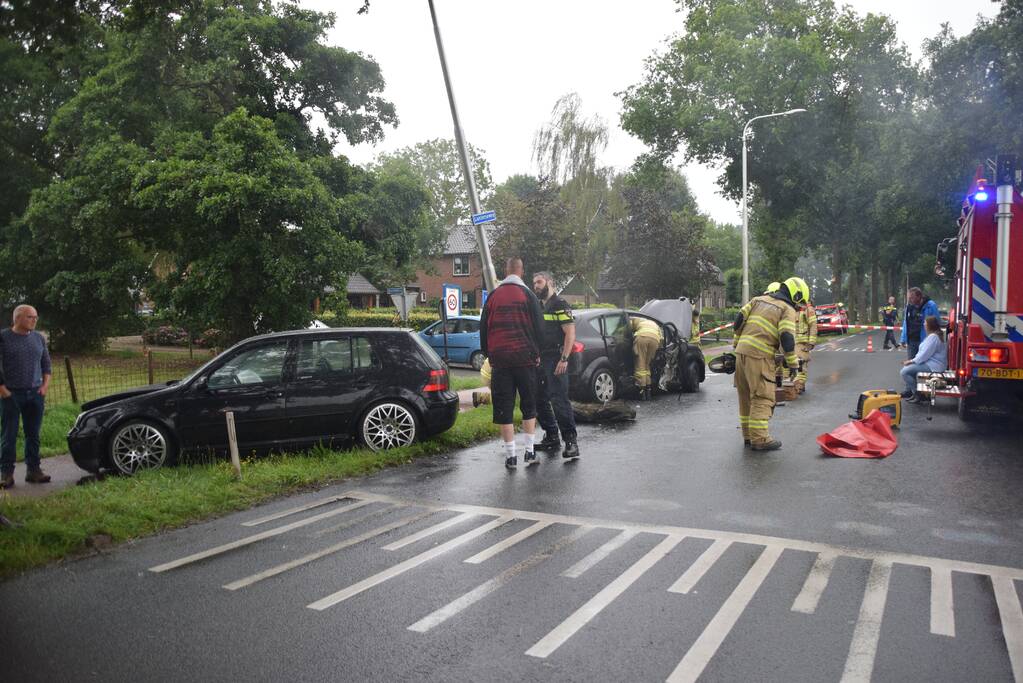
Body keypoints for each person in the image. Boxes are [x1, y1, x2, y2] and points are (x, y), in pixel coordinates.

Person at [479, 258, 545, 469]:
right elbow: (540, 329)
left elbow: (483, 330)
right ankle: (529, 452)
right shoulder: (529, 296)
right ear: (522, 271)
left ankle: (510, 457)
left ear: (505, 272)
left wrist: (490, 355)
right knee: (529, 405)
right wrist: (538, 353)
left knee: (504, 408)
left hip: (500, 362)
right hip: (525, 360)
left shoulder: (493, 297)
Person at [733, 276, 805, 451]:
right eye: (800, 302)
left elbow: (738, 321)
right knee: (762, 396)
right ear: (796, 296)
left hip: (741, 354)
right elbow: (787, 337)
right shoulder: (786, 308)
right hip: (760, 356)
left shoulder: (757, 300)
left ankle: (748, 436)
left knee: (745, 396)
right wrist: (793, 364)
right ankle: (760, 439)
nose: (798, 306)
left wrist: (738, 344)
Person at [0, 305, 53, 488]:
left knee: (33, 435)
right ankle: (6, 474)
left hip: (35, 394)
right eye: (30, 317)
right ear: (18, 318)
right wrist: (3, 390)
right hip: (11, 395)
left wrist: (44, 386)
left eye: (36, 317)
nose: (34, 320)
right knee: (9, 435)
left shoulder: (39, 338)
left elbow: (46, 364)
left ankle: (34, 471)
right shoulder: (4, 338)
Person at [531, 272, 580, 460]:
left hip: (557, 358)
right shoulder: (538, 306)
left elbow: (570, 334)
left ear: (550, 282)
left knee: (559, 400)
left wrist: (564, 359)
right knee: (539, 399)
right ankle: (551, 436)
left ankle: (571, 442)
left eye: (540, 282)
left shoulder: (560, 305)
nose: (536, 286)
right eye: (534, 283)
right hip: (541, 359)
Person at [900, 316, 947, 401]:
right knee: (908, 370)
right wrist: (913, 361)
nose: (924, 324)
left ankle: (918, 395)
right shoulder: (933, 336)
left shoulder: (933, 337)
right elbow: (924, 354)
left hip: (934, 366)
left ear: (930, 325)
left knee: (905, 371)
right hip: (932, 364)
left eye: (925, 323)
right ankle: (916, 394)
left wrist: (911, 361)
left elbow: (924, 354)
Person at [899, 287, 939, 359]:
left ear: (919, 297)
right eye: (909, 298)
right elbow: (906, 323)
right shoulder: (909, 307)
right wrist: (903, 338)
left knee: (924, 362)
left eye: (912, 298)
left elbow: (936, 323)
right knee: (911, 363)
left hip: (925, 340)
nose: (910, 300)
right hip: (912, 341)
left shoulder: (931, 305)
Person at [629, 316, 662, 401]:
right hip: (655, 340)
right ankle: (648, 390)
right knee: (647, 365)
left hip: (642, 337)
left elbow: (628, 330)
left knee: (640, 365)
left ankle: (641, 391)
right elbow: (661, 338)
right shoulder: (653, 323)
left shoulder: (634, 319)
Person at [794, 298, 817, 394]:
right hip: (791, 342)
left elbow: (813, 325)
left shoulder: (808, 309)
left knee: (801, 365)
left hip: (803, 343)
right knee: (788, 365)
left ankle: (799, 386)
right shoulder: (792, 307)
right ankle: (791, 386)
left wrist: (811, 343)